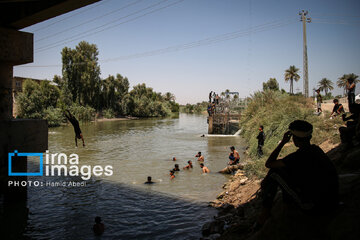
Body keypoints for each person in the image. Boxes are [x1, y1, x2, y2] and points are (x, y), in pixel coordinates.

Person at [257, 120, 338, 228]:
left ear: (294, 138)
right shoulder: (316, 150)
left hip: (314, 207)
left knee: (274, 173)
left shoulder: (297, 157)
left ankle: (265, 214)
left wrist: (282, 142)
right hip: (331, 201)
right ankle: (286, 203)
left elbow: (269, 164)